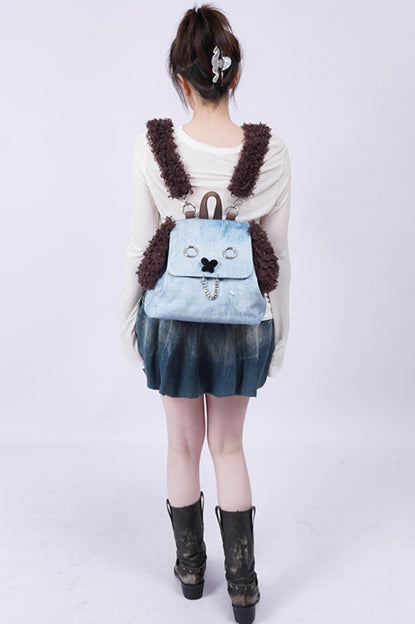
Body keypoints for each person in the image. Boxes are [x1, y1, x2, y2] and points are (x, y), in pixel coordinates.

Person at [118, 4, 291, 623]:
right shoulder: (270, 153)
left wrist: (127, 322)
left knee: (182, 445)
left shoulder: (154, 146)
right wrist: (278, 333)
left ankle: (191, 571)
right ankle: (243, 588)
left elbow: (141, 246)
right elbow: (278, 257)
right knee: (229, 446)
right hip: (243, 322)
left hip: (171, 319)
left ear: (180, 80)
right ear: (235, 75)